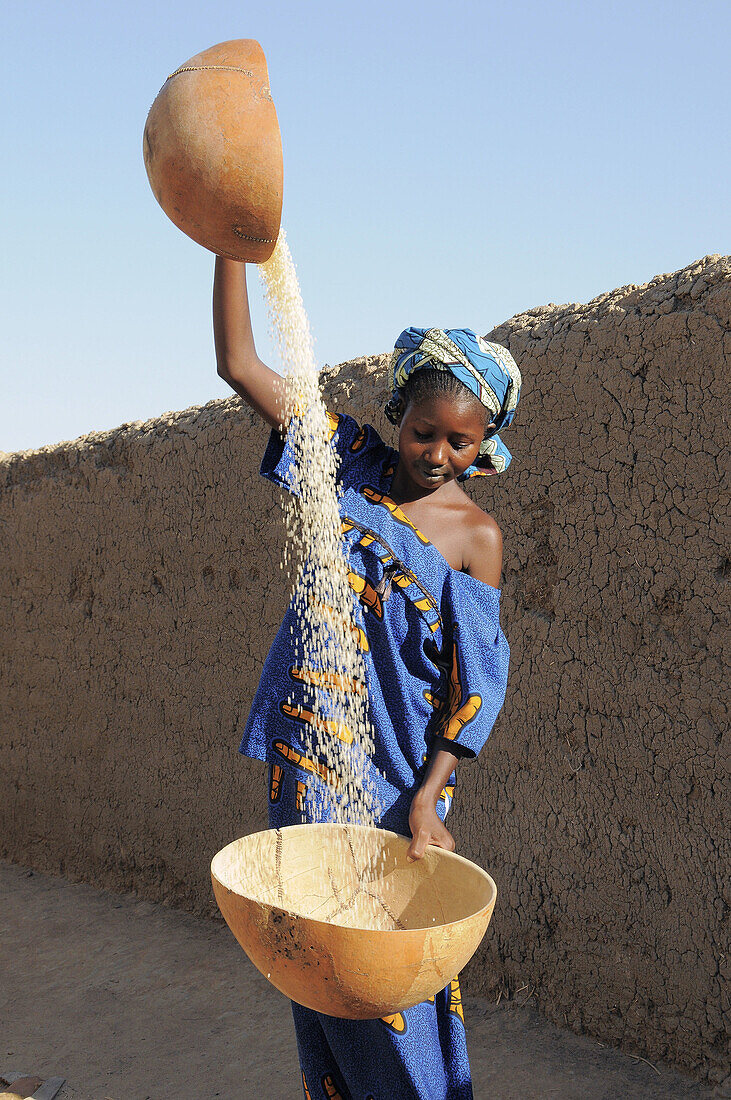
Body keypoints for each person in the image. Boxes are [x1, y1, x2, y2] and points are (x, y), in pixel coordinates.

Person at [213, 257, 522, 1100]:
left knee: (395, 964)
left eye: (460, 440)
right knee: (316, 959)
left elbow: (473, 684)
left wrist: (431, 793)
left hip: (400, 778)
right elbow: (239, 364)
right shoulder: (343, 461)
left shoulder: (472, 537)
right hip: (313, 755)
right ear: (399, 416)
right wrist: (234, 245)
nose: (437, 453)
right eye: (425, 431)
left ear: (484, 442)